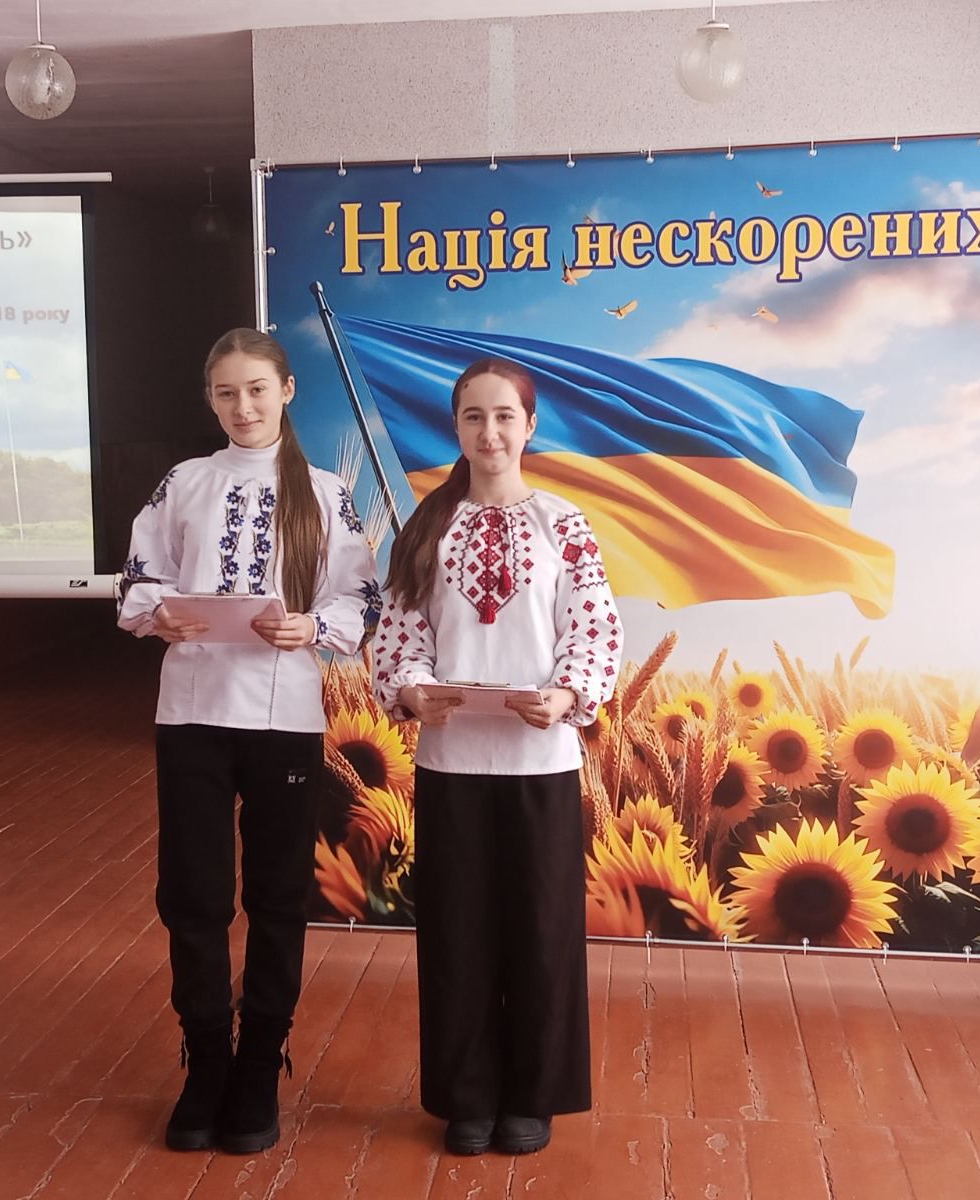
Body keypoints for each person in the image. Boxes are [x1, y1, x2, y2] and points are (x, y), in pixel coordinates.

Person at [118, 328, 379, 1154]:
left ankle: (261, 1060)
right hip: (192, 712)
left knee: (275, 896)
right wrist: (159, 613)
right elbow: (137, 578)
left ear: (287, 390)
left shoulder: (324, 491)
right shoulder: (184, 483)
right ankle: (205, 1061)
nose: (243, 407)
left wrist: (315, 627)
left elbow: (359, 595)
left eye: (257, 389)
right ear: (210, 399)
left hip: (284, 719)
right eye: (226, 393)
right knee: (193, 895)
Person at [371, 357, 622, 1157]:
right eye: (474, 416)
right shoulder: (426, 527)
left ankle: (533, 1096)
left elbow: (595, 628)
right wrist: (412, 690)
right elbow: (400, 632)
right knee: (457, 933)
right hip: (451, 761)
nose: (490, 432)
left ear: (530, 425)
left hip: (540, 764)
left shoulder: (563, 525)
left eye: (505, 415)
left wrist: (568, 695)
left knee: (542, 932)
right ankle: (467, 1096)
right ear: (455, 426)